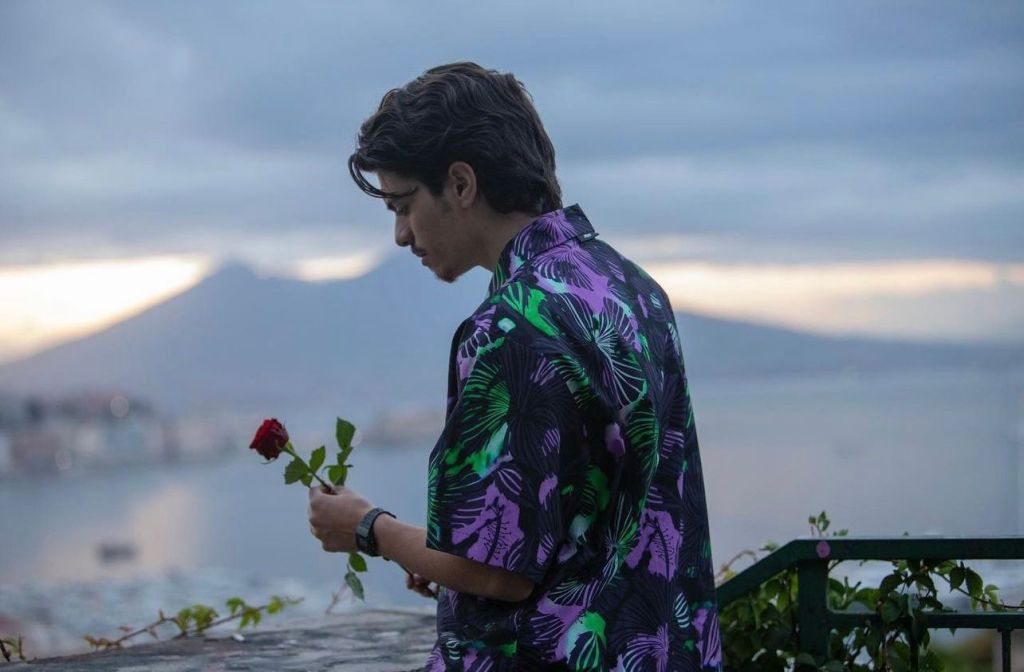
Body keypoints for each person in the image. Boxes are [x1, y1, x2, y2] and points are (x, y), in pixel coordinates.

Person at [308, 62, 722, 671]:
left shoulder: (511, 327)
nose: (399, 234)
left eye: (403, 204)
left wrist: (370, 528)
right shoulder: (631, 288)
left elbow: (499, 574)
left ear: (461, 183)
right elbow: (596, 519)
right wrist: (441, 558)